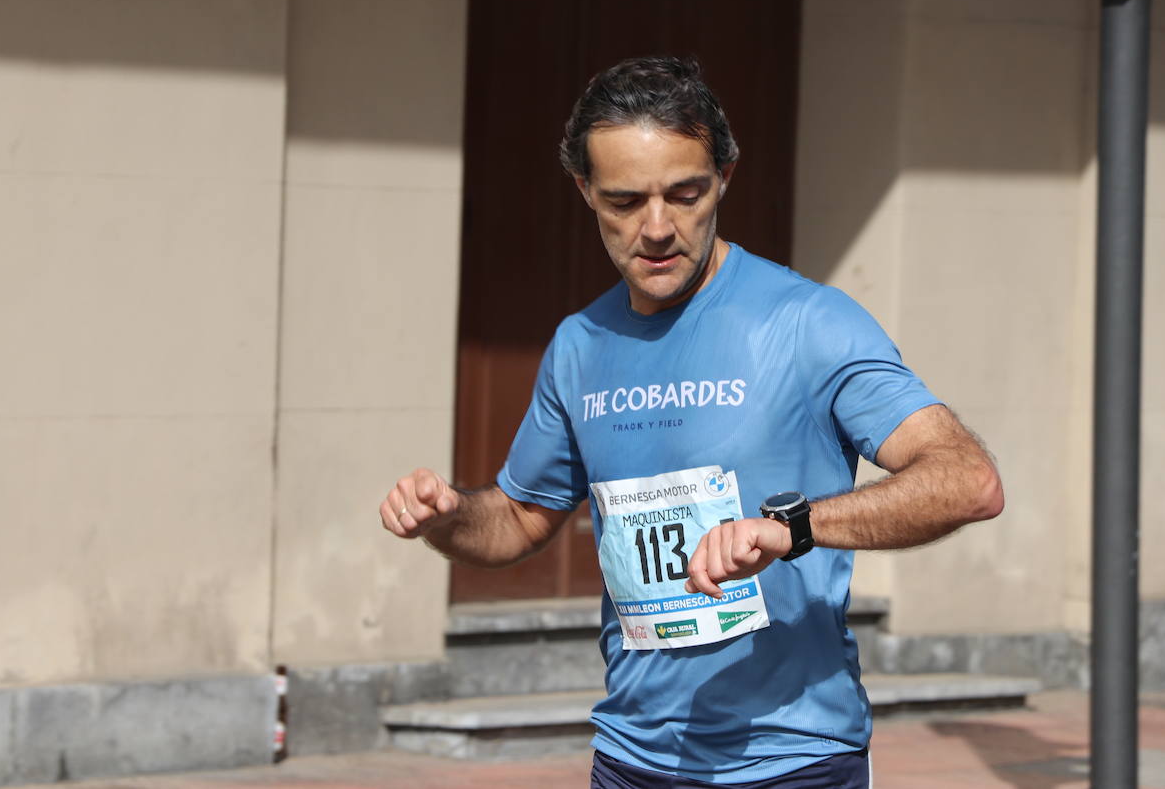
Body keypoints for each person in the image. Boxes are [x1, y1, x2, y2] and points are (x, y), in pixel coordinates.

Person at [378, 56, 1002, 788]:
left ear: (725, 177)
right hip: (633, 758)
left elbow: (967, 480)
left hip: (792, 759)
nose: (656, 229)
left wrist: (793, 528)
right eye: (624, 201)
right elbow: (517, 519)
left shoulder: (808, 322)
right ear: (585, 191)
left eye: (685, 194)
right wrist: (447, 516)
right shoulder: (580, 345)